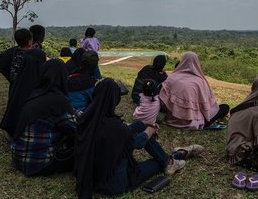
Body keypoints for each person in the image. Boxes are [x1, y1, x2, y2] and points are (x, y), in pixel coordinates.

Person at [75, 78, 203, 199]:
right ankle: (176, 156)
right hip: (115, 185)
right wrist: (150, 130)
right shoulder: (115, 127)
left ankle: (173, 158)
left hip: (92, 180)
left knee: (140, 129)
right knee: (157, 163)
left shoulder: (86, 120)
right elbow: (137, 142)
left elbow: (125, 131)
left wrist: (143, 124)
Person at [11, 59, 78, 176]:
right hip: (40, 165)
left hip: (18, 158)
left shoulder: (35, 94)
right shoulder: (58, 100)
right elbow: (74, 129)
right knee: (82, 145)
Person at [0, 29, 46, 137]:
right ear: (30, 41)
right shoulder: (35, 55)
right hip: (29, 87)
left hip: (15, 85)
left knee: (15, 107)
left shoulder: (15, 53)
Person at [158, 51, 229, 130]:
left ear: (183, 61)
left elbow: (163, 102)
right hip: (195, 122)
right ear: (197, 63)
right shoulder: (200, 81)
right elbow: (206, 108)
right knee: (225, 107)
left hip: (172, 120)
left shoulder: (172, 78)